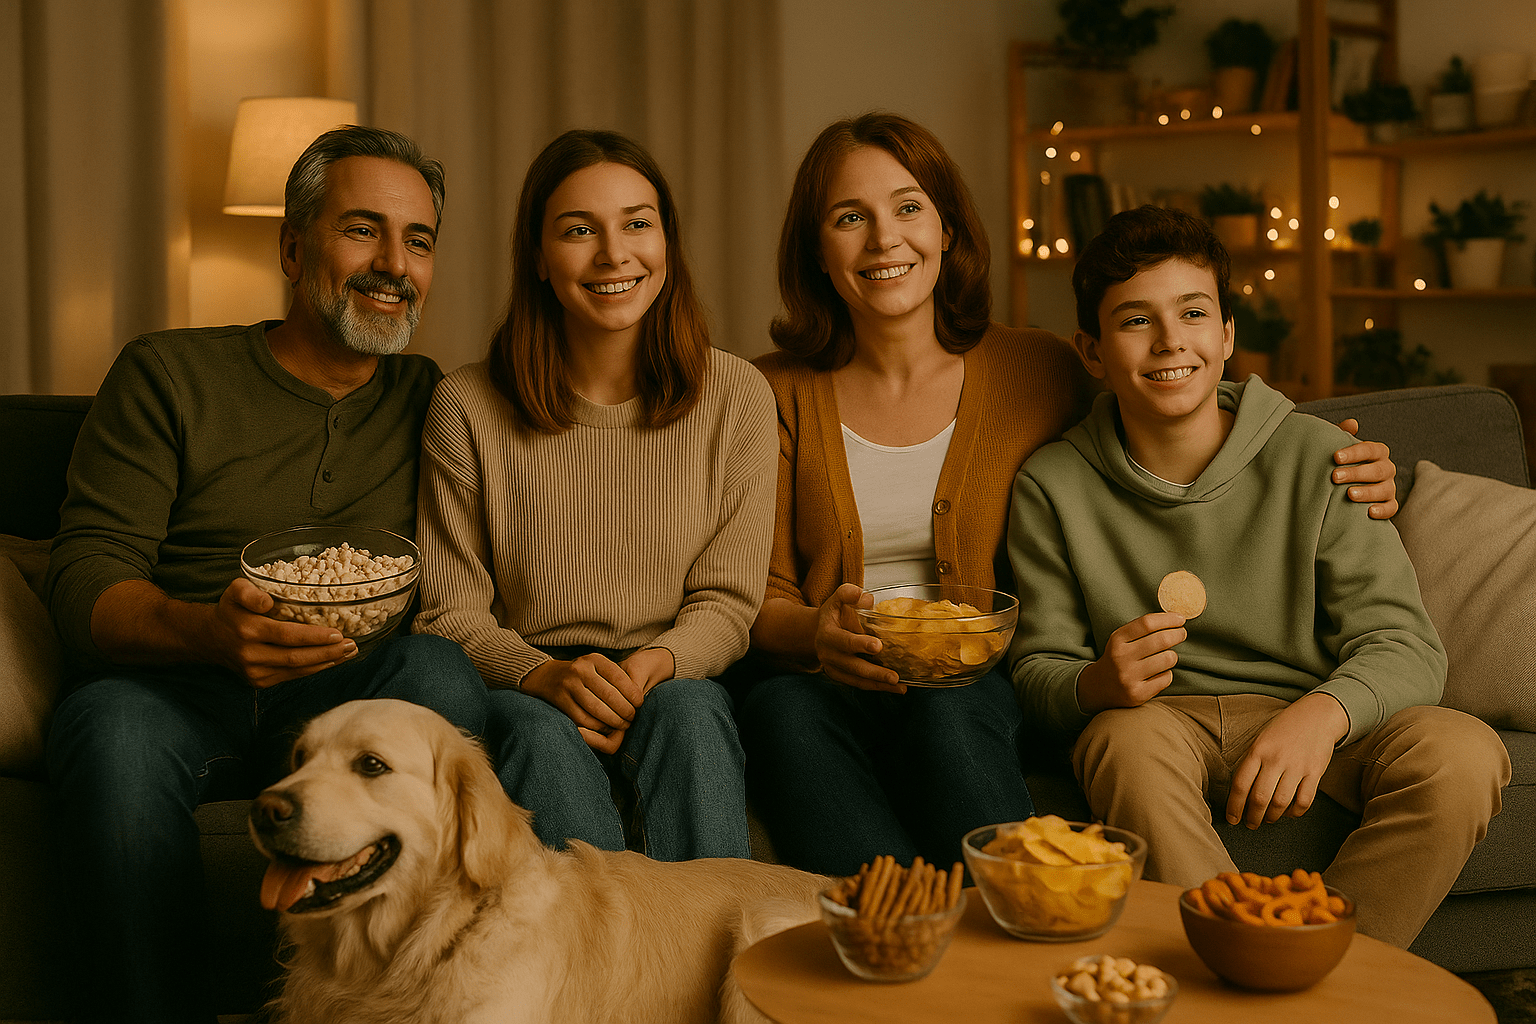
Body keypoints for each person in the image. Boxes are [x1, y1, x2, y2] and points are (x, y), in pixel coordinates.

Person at [736, 112, 1403, 880]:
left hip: (979, 683)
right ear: (817, 250)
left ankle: (1020, 907)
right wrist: (816, 632)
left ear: (948, 228)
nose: (886, 238)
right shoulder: (768, 393)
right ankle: (890, 927)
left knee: (950, 710)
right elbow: (758, 593)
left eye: (909, 207)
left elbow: (1173, 392)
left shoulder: (1039, 368)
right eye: (850, 218)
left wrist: (1325, 447)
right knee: (779, 715)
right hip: (829, 684)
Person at [43, 126, 490, 1024]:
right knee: (109, 732)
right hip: (175, 689)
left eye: (419, 240)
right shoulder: (170, 372)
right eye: (362, 230)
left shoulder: (434, 398)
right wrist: (206, 630)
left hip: (353, 694)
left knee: (441, 675)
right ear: (293, 246)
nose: (393, 264)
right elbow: (88, 574)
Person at [1007, 204, 1510, 948]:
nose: (1171, 339)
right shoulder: (1051, 484)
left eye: (1193, 312)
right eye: (1136, 320)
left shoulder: (1319, 458)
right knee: (1122, 741)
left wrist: (1322, 716)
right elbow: (1036, 668)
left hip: (1307, 707)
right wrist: (1096, 684)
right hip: (1158, 723)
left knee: (1464, 753)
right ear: (1092, 350)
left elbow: (1406, 645)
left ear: (1228, 334)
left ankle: (1332, 969)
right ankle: (1241, 957)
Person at [411, 129, 777, 861]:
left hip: (670, 670)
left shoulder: (737, 395)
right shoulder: (466, 404)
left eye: (638, 224)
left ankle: (714, 948)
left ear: (667, 242)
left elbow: (731, 601)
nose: (614, 254)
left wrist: (654, 666)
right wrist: (542, 675)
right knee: (534, 733)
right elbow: (448, 612)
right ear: (540, 259)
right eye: (580, 231)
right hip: (528, 677)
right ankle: (598, 968)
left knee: (696, 714)